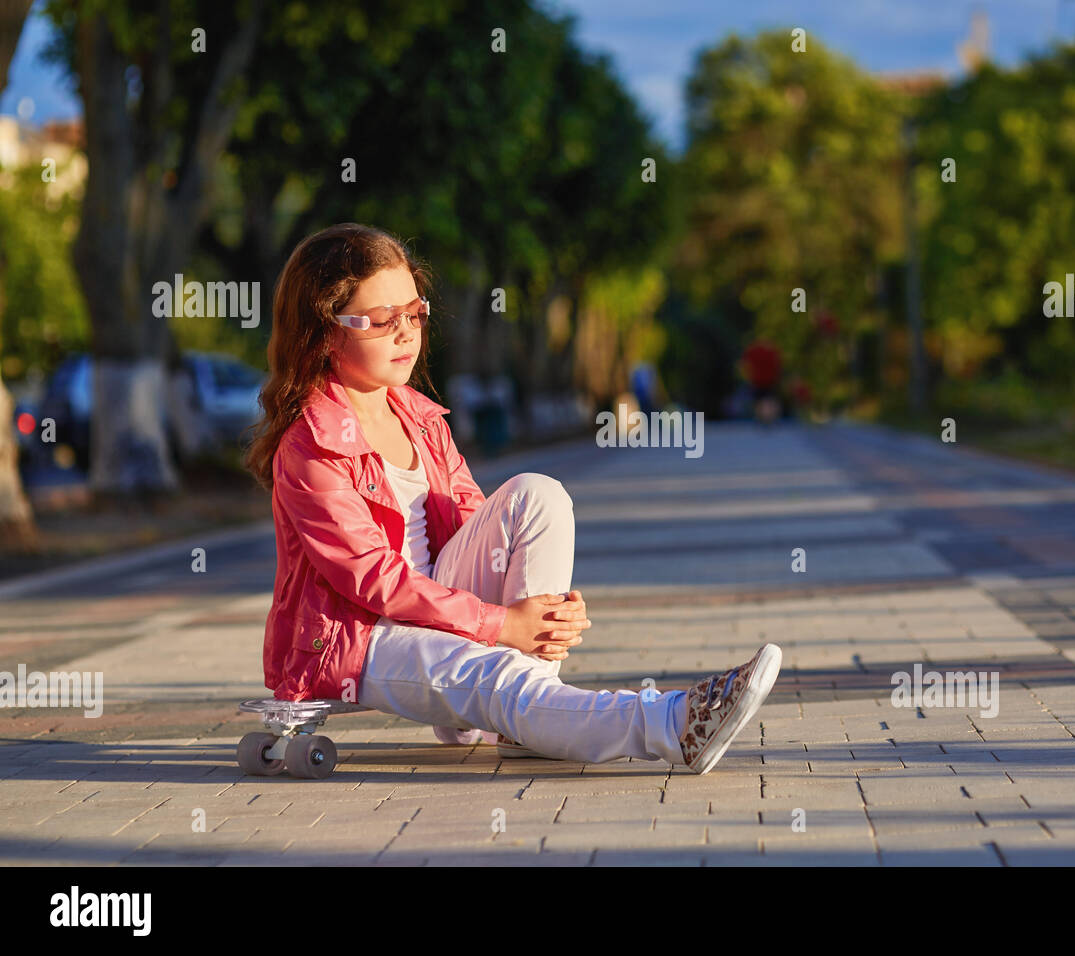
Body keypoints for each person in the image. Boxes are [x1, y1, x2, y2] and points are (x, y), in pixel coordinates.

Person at [242, 223, 781, 773]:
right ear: (324, 331)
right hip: (359, 635)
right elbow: (375, 580)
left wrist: (544, 615)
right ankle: (669, 724)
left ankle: (527, 718)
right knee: (498, 675)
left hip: (445, 607)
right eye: (383, 321)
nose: (406, 333)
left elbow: (477, 521)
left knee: (537, 493)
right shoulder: (310, 444)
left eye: (415, 312)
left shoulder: (419, 417)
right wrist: (503, 626)